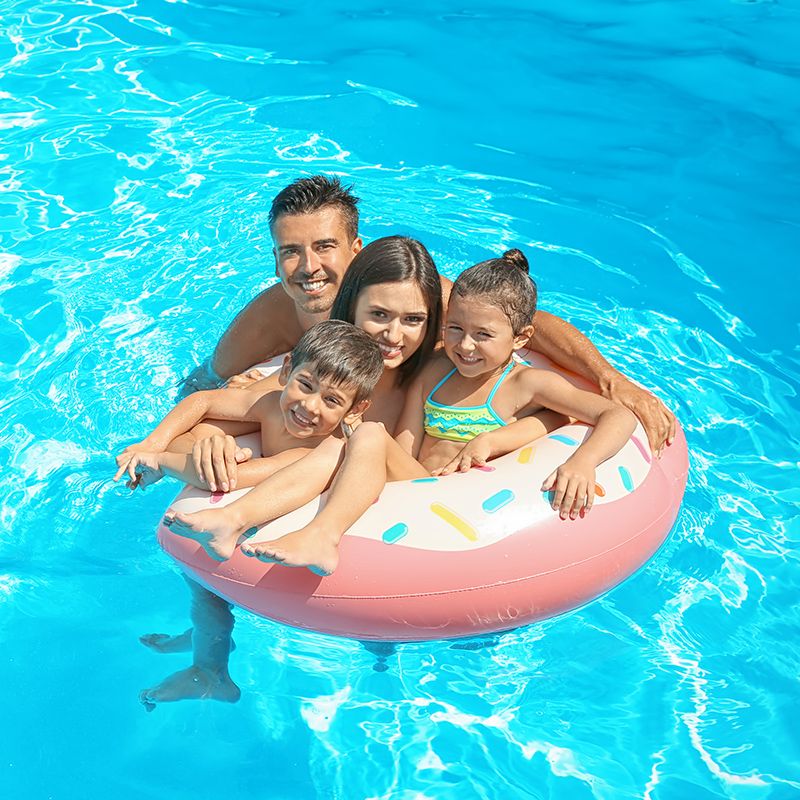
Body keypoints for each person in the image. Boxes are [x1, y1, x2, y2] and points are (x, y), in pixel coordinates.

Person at [179, 174, 675, 454]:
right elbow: (206, 385)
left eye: (324, 247)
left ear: (355, 248)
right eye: (290, 251)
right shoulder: (276, 314)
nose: (308, 268)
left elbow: (522, 324)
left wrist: (609, 380)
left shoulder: (411, 298)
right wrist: (216, 425)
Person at [235, 248, 637, 573]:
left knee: (368, 434)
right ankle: (252, 515)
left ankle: (320, 534)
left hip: (467, 509)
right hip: (418, 484)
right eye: (455, 329)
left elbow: (615, 415)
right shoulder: (435, 370)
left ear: (521, 338)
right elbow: (407, 445)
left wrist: (581, 461)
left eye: (483, 335)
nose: (465, 346)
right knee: (365, 440)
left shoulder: (528, 384)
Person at [115, 320, 384, 561]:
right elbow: (203, 400)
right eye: (305, 385)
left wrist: (162, 462)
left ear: (354, 410)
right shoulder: (269, 405)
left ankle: (231, 526)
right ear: (286, 370)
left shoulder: (313, 453)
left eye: (332, 400)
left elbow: (227, 478)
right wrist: (152, 444)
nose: (311, 406)